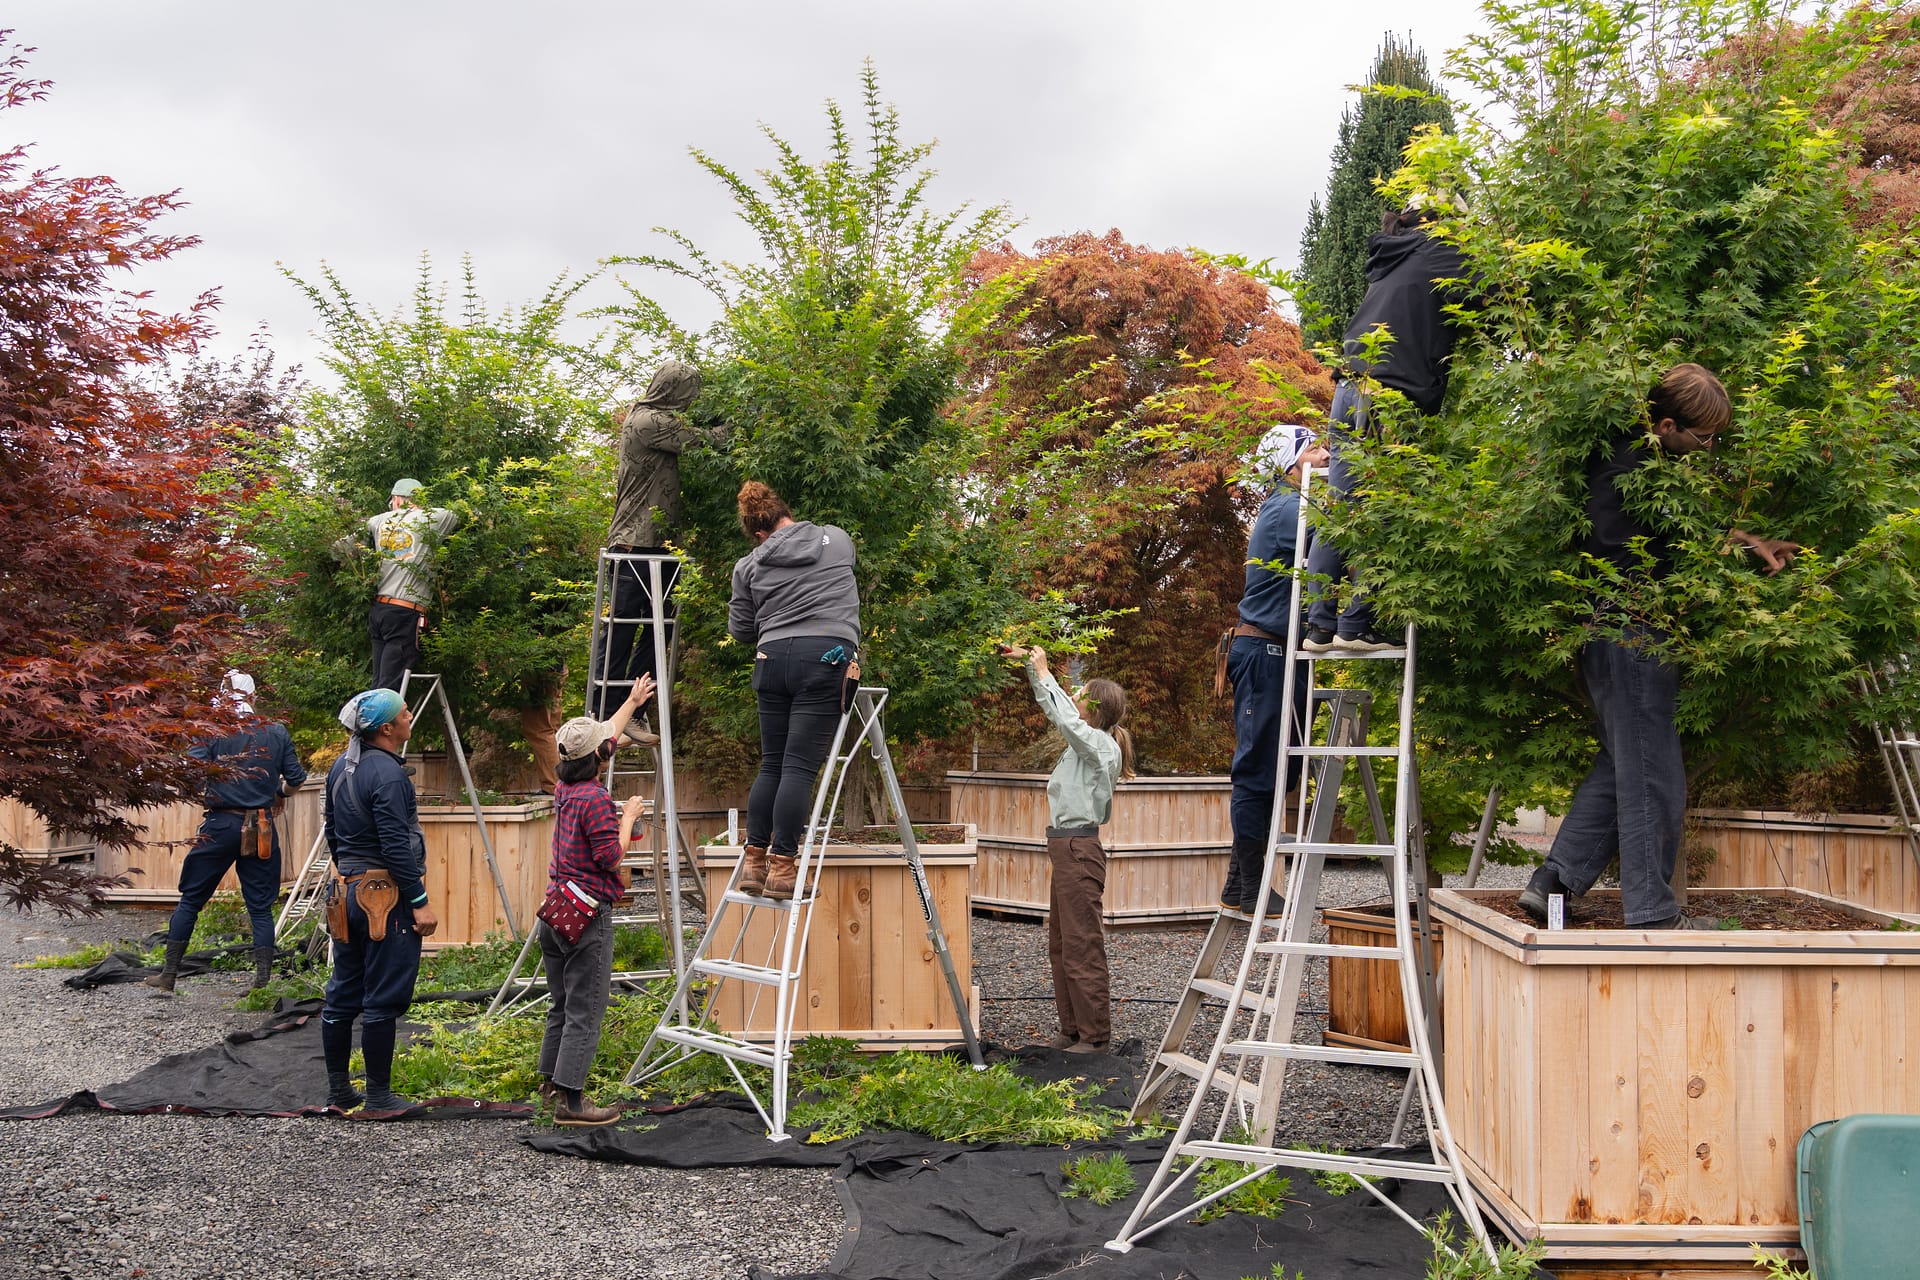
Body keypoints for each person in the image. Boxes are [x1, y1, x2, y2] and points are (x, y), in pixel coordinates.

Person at [1518, 365, 1802, 930]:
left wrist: (1749, 545)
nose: (1709, 448)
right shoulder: (1634, 471)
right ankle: (1652, 913)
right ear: (1667, 424)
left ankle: (1555, 881)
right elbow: (1672, 558)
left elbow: (1686, 543)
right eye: (1704, 438)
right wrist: (1744, 552)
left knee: (1624, 763)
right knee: (1653, 776)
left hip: (1607, 632)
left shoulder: (1627, 459)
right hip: (1633, 632)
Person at [1305, 204, 1473, 654]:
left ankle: (1319, 626)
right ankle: (1354, 623)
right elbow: (1494, 289)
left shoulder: (1394, 256)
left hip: (1348, 389)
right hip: (1383, 394)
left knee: (1341, 510)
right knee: (1384, 509)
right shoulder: (1437, 250)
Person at [727, 481, 860, 902]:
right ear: (784, 512)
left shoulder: (747, 567)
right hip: (825, 655)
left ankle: (755, 861)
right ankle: (784, 869)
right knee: (799, 768)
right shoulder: (835, 539)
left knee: (772, 765)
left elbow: (741, 631)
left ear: (758, 532)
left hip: (771, 660)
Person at [533, 674, 656, 1127]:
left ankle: (549, 1086)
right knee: (587, 1009)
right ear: (602, 757)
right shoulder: (597, 799)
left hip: (555, 910)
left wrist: (631, 702)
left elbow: (602, 739)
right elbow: (610, 857)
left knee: (561, 1003)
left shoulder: (565, 789)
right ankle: (573, 1103)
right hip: (586, 916)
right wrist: (629, 816)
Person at [1220, 424, 1331, 914]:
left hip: (1278, 652)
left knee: (1279, 771)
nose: (1326, 454)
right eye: (1314, 449)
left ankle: (1239, 882)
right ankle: (1253, 889)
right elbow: (1341, 540)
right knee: (1257, 771)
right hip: (1265, 654)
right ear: (1290, 465)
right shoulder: (1290, 508)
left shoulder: (1293, 505)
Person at [144, 671, 307, 995]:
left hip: (221, 824)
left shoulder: (212, 731)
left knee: (191, 900)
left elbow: (190, 774)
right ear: (254, 697)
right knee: (260, 907)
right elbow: (297, 779)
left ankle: (169, 976)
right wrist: (280, 794)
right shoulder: (276, 731)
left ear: (221, 697)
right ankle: (261, 983)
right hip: (261, 826)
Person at [1007, 646, 1134, 1054]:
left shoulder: (1099, 745)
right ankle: (1072, 1030)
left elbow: (1063, 715)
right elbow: (1058, 708)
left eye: (1081, 695)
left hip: (1079, 848)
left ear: (1094, 709)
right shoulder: (1087, 741)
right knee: (1061, 943)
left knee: (1082, 943)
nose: (1074, 696)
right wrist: (1032, 667)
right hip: (1065, 847)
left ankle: (1095, 1036)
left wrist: (1045, 672)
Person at [319, 688, 439, 1113]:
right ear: (387, 728)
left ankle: (338, 1091)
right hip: (383, 898)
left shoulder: (340, 768)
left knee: (343, 991)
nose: (410, 715)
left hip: (346, 891)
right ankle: (379, 1097)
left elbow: (332, 831)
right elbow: (395, 846)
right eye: (405, 712)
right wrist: (419, 899)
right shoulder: (388, 774)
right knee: (383, 996)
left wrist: (350, 874)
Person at [596, 361, 720, 726]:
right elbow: (709, 441)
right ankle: (605, 715)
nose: (691, 401)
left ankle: (633, 711)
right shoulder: (649, 421)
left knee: (657, 633)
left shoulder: (650, 417)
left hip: (659, 547)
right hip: (636, 545)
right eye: (689, 392)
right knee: (621, 632)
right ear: (673, 389)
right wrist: (749, 424)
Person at [360, 478, 459, 691]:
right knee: (389, 689)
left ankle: (372, 723)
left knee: (378, 683)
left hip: (379, 611)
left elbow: (342, 545)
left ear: (395, 499)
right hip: (404, 612)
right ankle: (383, 724)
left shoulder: (378, 521)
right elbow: (458, 515)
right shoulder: (432, 518)